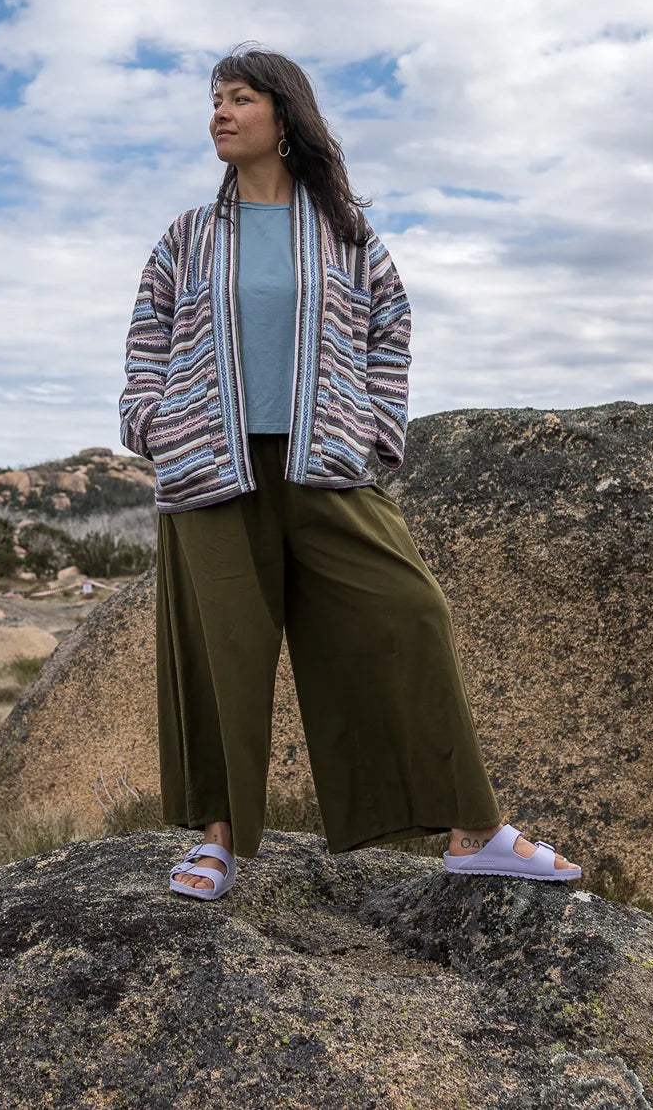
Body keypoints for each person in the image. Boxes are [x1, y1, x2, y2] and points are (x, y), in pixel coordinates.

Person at [119, 45, 580, 899]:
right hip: (210, 467)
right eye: (214, 101)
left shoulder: (347, 236)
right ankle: (214, 843)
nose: (219, 113)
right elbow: (146, 338)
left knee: (411, 611)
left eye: (239, 98)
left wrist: (375, 432)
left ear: (284, 118)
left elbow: (389, 330)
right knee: (223, 655)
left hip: (324, 463)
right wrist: (152, 423)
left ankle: (474, 830)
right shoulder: (186, 236)